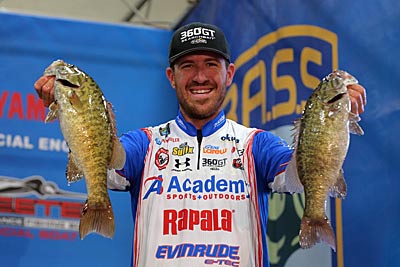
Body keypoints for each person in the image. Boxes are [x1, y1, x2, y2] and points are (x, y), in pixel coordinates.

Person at [34, 22, 367, 267]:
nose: (200, 77)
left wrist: (333, 118)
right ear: (171, 77)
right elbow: (103, 164)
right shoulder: (145, 144)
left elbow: (299, 175)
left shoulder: (256, 145)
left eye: (211, 64)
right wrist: (68, 104)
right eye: (187, 66)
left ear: (230, 73)